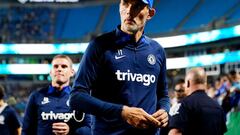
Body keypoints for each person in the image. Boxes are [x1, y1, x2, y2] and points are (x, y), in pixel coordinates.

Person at [70, 0, 170, 134]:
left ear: (150, 13)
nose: (129, 11)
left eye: (137, 6)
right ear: (119, 6)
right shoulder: (99, 46)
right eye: (125, 3)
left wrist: (164, 110)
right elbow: (76, 97)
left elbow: (163, 94)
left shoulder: (157, 50)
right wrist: (122, 112)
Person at [22, 55, 91, 135]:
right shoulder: (36, 97)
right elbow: (26, 131)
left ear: (72, 72)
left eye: (64, 66)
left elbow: (90, 129)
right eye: (55, 66)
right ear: (51, 72)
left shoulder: (81, 98)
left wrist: (71, 130)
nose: (59, 69)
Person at [168, 68, 227, 135]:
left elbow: (175, 133)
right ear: (205, 83)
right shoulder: (218, 107)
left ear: (188, 83)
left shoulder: (183, 105)